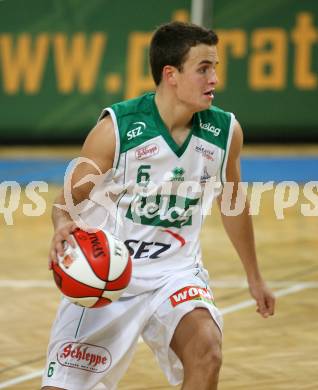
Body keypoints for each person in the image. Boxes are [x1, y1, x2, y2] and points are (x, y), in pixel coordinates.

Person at [42, 21, 275, 390]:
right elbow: (67, 202)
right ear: (171, 74)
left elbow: (232, 204)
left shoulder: (224, 131)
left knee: (207, 350)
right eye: (203, 68)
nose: (214, 78)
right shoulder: (117, 129)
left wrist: (254, 275)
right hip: (107, 276)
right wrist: (61, 225)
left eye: (215, 67)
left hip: (174, 274)